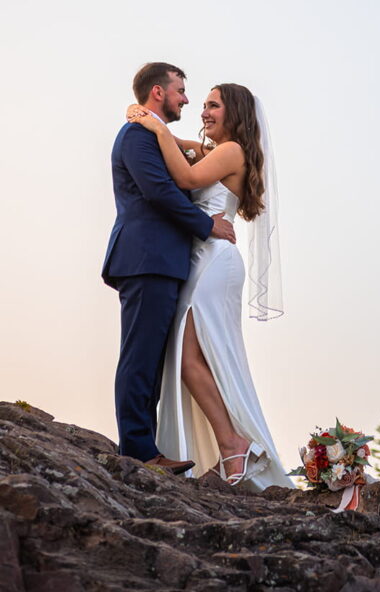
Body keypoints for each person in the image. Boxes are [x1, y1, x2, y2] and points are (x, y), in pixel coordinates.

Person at [126, 82, 294, 491]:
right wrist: (149, 121)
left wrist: (157, 128)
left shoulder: (231, 151)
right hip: (198, 262)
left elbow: (184, 178)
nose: (203, 111)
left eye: (213, 105)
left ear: (233, 113)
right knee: (190, 358)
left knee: (188, 358)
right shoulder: (216, 151)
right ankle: (232, 445)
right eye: (202, 104)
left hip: (216, 262)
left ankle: (234, 444)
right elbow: (185, 148)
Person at [102, 62, 237, 474]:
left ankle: (146, 448)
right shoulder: (138, 137)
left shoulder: (154, 135)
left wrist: (181, 140)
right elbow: (159, 192)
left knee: (152, 359)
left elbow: (183, 167)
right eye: (180, 90)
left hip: (163, 262)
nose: (187, 98)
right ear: (158, 92)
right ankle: (139, 452)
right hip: (147, 259)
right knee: (139, 357)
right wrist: (205, 224)